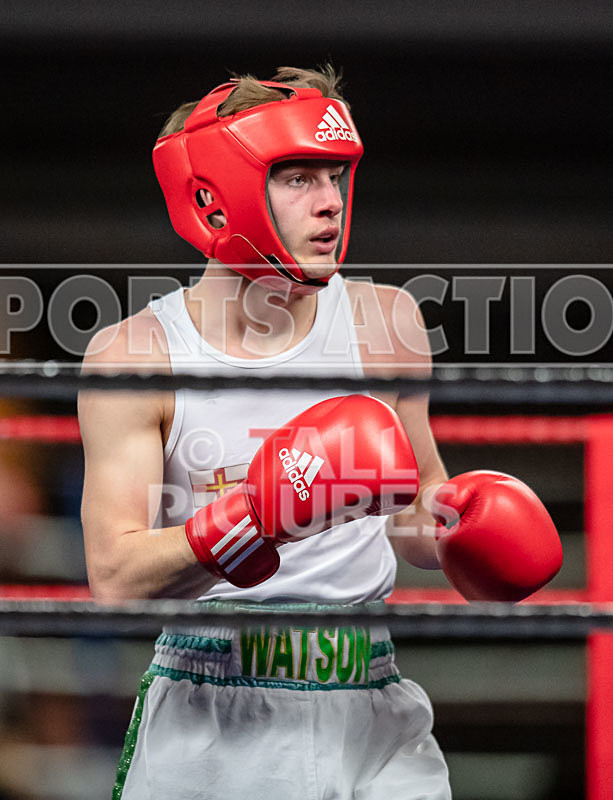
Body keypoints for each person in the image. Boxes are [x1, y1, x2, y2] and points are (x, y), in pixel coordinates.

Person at [78, 66, 562, 800]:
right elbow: (114, 576)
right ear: (216, 195)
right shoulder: (136, 355)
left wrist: (458, 526)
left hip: (370, 701)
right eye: (298, 177)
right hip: (217, 712)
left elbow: (411, 506)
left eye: (335, 175)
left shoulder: (386, 322)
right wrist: (254, 519)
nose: (331, 202)